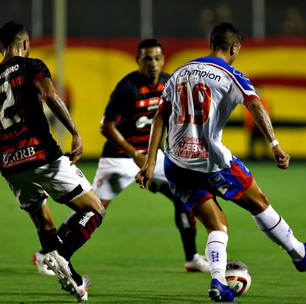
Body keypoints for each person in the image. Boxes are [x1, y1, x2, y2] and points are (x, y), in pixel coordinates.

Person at [135, 22, 306, 302]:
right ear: (234, 47)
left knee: (216, 226)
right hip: (213, 162)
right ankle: (299, 254)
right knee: (259, 201)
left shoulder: (179, 72)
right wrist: (274, 144)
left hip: (176, 166)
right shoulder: (231, 74)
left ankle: (218, 282)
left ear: (210, 43)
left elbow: (160, 117)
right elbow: (255, 105)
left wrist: (150, 162)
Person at [32, 38, 209, 275]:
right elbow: (106, 126)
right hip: (118, 159)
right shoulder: (128, 87)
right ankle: (47, 254)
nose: (153, 63)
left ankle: (192, 259)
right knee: (92, 209)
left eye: (157, 58)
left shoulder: (170, 83)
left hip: (151, 157)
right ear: (138, 61)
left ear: (163, 60)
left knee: (185, 195)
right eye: (147, 58)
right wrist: (134, 153)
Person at [0, 21, 105, 302]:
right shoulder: (31, 65)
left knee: (44, 224)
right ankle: (61, 254)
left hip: (10, 165)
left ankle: (74, 278)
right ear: (25, 44)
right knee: (94, 209)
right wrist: (74, 132)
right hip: (41, 155)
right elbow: (50, 95)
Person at [243, 87, 271, 160]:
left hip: (261, 124)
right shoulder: (252, 102)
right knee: (253, 141)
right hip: (254, 125)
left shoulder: (262, 102)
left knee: (263, 140)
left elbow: (267, 114)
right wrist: (249, 124)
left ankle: (265, 155)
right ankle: (252, 155)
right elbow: (247, 115)